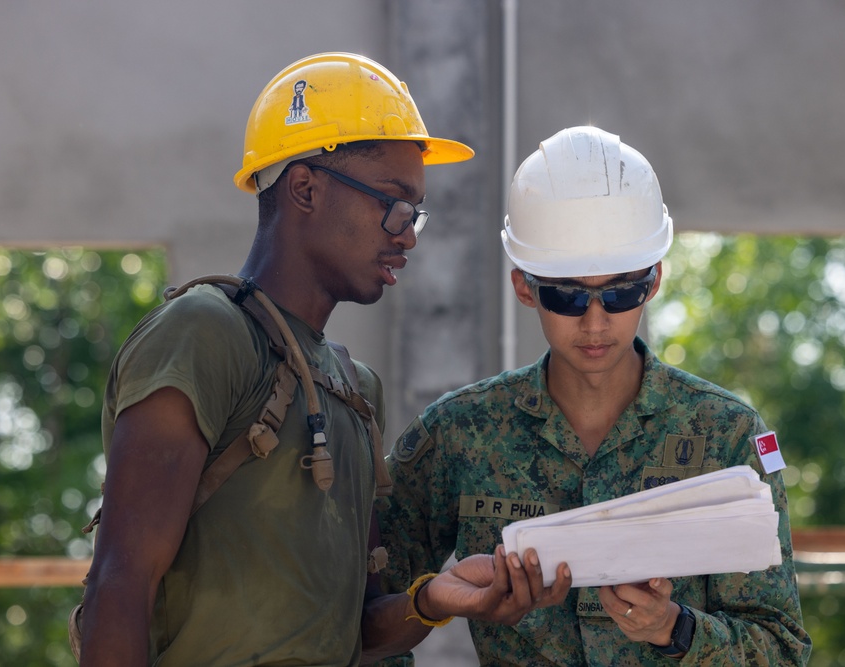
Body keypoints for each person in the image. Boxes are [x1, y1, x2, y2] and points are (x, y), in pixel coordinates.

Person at [77, 52, 570, 666]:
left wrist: (434, 601)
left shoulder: (352, 386)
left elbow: (353, 633)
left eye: (416, 213)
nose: (408, 234)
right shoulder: (203, 333)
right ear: (306, 188)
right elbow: (119, 585)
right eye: (393, 203)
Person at [376, 126, 813, 665]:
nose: (596, 320)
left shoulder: (724, 434)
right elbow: (367, 612)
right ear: (524, 288)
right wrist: (432, 600)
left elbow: (782, 648)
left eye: (621, 291)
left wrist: (675, 629)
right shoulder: (458, 434)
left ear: (652, 283)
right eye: (567, 294)